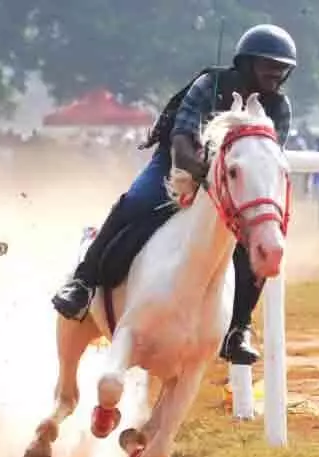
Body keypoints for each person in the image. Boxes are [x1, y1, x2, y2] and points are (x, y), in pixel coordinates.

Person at [52, 24, 297, 366]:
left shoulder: (279, 107)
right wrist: (200, 179)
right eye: (268, 65)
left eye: (282, 67)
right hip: (177, 166)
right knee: (134, 204)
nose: (276, 73)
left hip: (232, 181)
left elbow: (267, 158)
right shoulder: (208, 85)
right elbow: (182, 140)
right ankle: (83, 283)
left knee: (251, 240)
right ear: (246, 64)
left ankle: (238, 327)